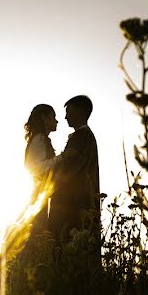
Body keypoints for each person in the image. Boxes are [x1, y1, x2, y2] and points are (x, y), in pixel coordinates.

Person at [47, 95, 100, 248]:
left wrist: (50, 185)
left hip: (73, 204)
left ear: (81, 112)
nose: (65, 117)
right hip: (77, 201)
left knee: (67, 244)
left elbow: (70, 168)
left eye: (69, 112)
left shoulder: (82, 137)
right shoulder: (84, 136)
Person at [23, 103, 58, 235]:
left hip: (40, 194)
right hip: (38, 195)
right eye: (53, 117)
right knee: (38, 232)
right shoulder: (39, 139)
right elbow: (36, 168)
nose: (56, 121)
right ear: (44, 118)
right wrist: (61, 158)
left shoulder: (42, 139)